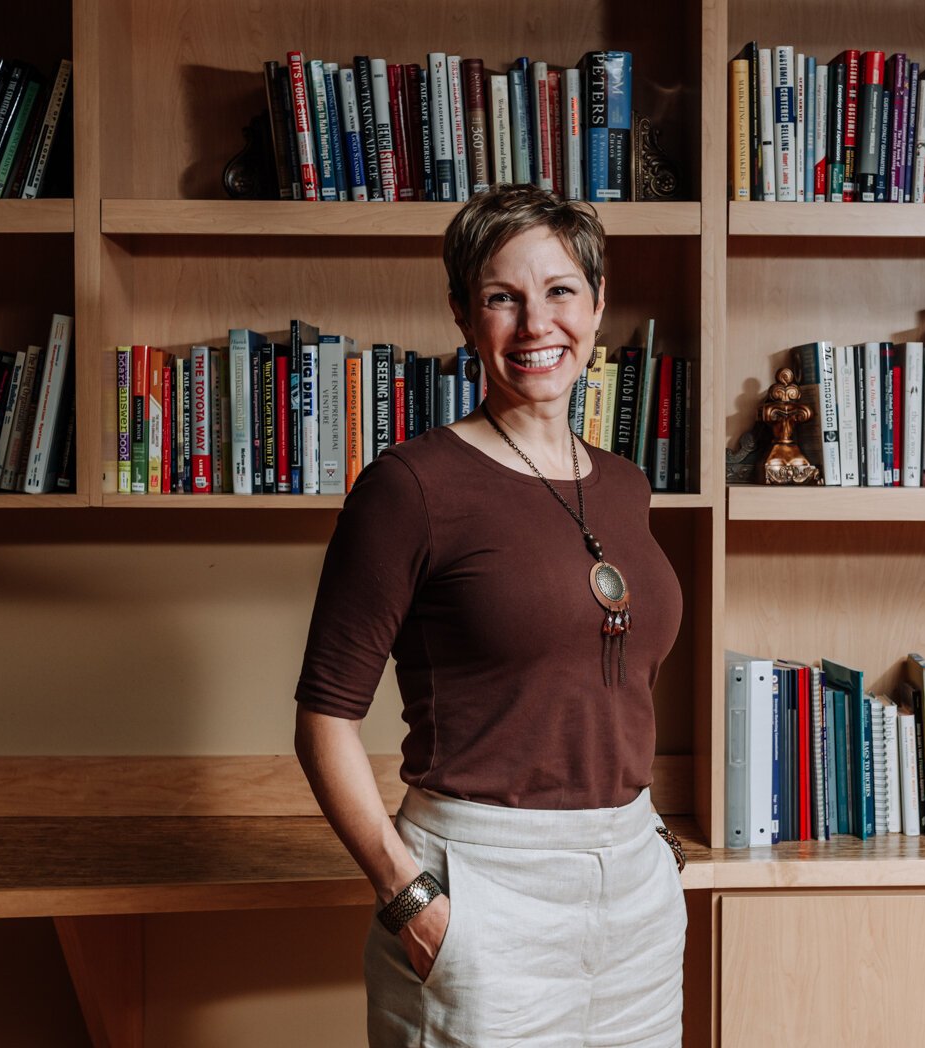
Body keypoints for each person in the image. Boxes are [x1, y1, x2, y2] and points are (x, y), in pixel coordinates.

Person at [294, 183, 686, 1047]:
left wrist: (647, 850)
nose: (535, 322)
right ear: (464, 318)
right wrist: (410, 902)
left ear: (597, 304)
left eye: (559, 291)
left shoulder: (626, 486)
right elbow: (324, 720)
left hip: (636, 893)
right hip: (481, 887)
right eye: (502, 297)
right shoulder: (410, 487)